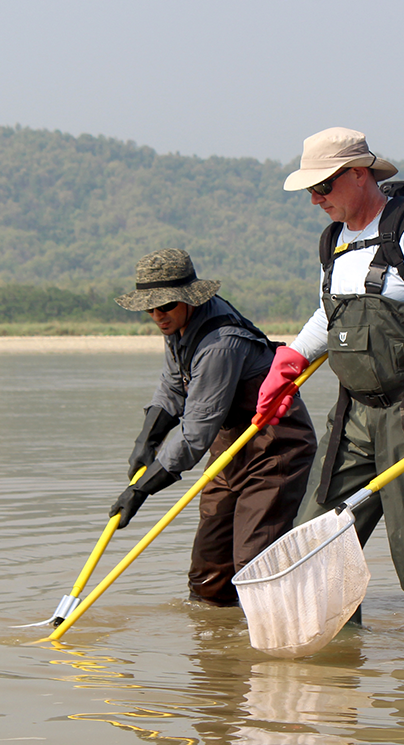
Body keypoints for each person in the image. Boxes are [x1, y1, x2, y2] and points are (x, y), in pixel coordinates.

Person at [255, 127, 404, 640]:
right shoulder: (335, 240)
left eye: (325, 187)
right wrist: (290, 357)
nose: (316, 199)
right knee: (318, 535)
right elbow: (332, 311)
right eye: (311, 191)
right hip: (356, 409)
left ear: (360, 175)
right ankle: (340, 660)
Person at [111, 248, 317, 606]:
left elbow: (196, 432)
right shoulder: (178, 325)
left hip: (274, 447)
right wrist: (146, 441)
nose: (158, 316)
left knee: (253, 561)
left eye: (166, 307)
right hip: (229, 446)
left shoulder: (220, 343)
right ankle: (215, 644)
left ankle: (277, 634)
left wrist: (143, 489)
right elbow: (173, 385)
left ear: (188, 299)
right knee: (208, 571)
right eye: (151, 309)